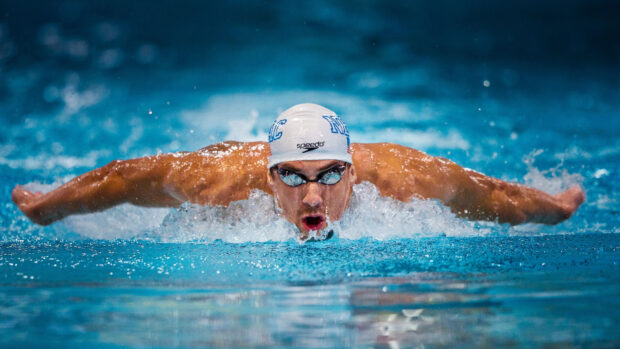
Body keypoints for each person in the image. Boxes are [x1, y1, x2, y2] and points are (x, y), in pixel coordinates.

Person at [12, 103, 584, 240]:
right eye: (291, 176)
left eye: (332, 174)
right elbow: (121, 178)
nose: (313, 195)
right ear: (268, 178)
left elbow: (488, 195)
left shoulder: (404, 178)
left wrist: (553, 209)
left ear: (355, 174)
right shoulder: (217, 181)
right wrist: (49, 207)